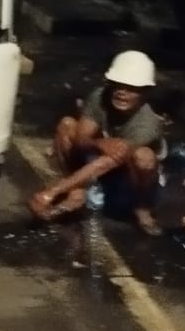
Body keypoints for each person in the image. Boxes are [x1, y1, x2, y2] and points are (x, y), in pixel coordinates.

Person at [30, 50, 167, 236]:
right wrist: (100, 143)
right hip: (103, 156)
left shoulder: (148, 123)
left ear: (144, 92)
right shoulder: (100, 97)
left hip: (132, 174)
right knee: (67, 125)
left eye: (131, 88)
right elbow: (80, 138)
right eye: (118, 85)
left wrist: (52, 192)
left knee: (144, 157)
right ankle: (76, 190)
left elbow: (107, 163)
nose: (122, 93)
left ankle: (141, 207)